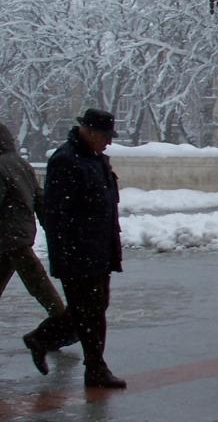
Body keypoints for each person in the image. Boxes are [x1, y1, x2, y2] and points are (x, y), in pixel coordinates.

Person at [26, 109, 126, 389]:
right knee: (89, 311)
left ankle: (43, 339)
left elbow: (105, 207)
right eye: (105, 136)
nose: (108, 142)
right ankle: (95, 368)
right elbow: (57, 215)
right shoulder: (65, 161)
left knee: (92, 308)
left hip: (98, 249)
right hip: (78, 253)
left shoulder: (95, 159)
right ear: (89, 131)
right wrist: (69, 253)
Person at [1, 123, 76, 374]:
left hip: (7, 237)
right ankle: (63, 325)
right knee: (37, 281)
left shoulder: (1, 166)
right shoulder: (21, 164)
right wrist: (51, 226)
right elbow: (39, 198)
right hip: (20, 234)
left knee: (38, 283)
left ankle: (63, 325)